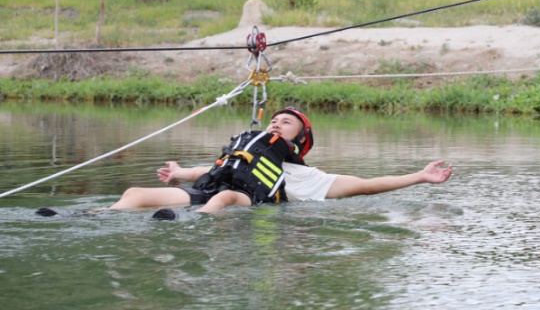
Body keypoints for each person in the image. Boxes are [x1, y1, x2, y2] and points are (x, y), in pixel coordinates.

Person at [105, 108, 453, 217]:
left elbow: (367, 184)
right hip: (210, 190)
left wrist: (420, 176)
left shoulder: (308, 177)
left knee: (224, 199)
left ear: (301, 140)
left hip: (244, 202)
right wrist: (180, 173)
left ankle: (190, 225)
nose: (275, 123)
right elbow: (211, 170)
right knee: (134, 192)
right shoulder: (249, 153)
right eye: (273, 121)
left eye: (285, 122)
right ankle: (91, 215)